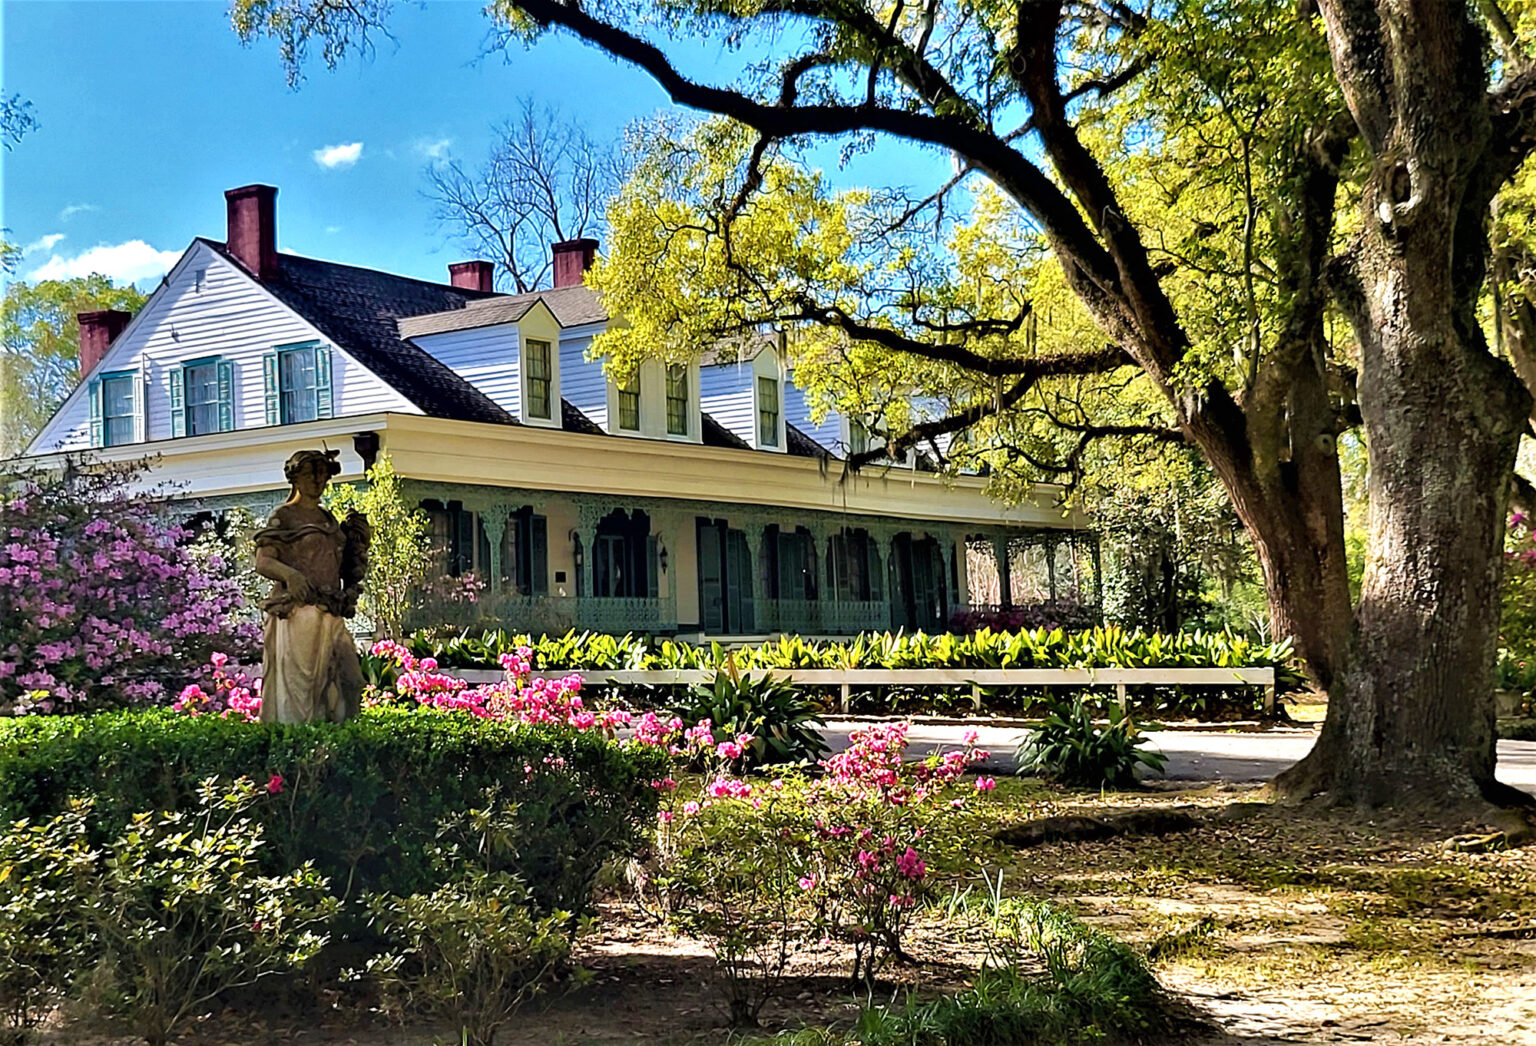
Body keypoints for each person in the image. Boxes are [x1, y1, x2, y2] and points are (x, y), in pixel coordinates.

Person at [253, 449, 371, 722]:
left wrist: (357, 544)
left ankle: (345, 743)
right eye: (309, 475)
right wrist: (291, 576)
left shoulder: (327, 519)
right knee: (304, 692)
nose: (317, 481)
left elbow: (343, 567)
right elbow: (263, 561)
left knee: (351, 680)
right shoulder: (284, 516)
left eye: (322, 475)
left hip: (331, 610)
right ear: (295, 478)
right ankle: (301, 752)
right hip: (298, 612)